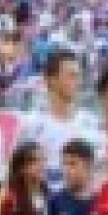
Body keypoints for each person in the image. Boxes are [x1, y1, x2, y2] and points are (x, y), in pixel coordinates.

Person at [15, 49, 100, 187]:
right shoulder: (31, 126)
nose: (78, 82)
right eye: (71, 76)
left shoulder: (91, 123)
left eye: (79, 76)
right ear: (51, 80)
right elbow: (18, 174)